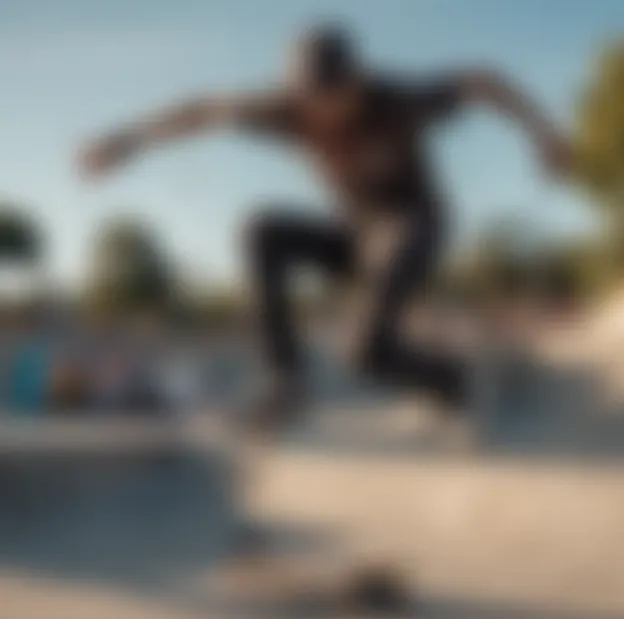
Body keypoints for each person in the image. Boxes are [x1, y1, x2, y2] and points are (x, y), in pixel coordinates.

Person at [78, 24, 573, 435]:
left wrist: (544, 134)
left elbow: (482, 82)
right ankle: (285, 377)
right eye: (312, 105)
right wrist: (126, 142)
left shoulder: (399, 100)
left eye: (333, 102)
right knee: (260, 230)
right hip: (355, 238)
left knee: (364, 351)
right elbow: (201, 110)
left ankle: (452, 384)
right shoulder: (288, 112)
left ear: (354, 85)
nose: (324, 118)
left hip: (414, 228)